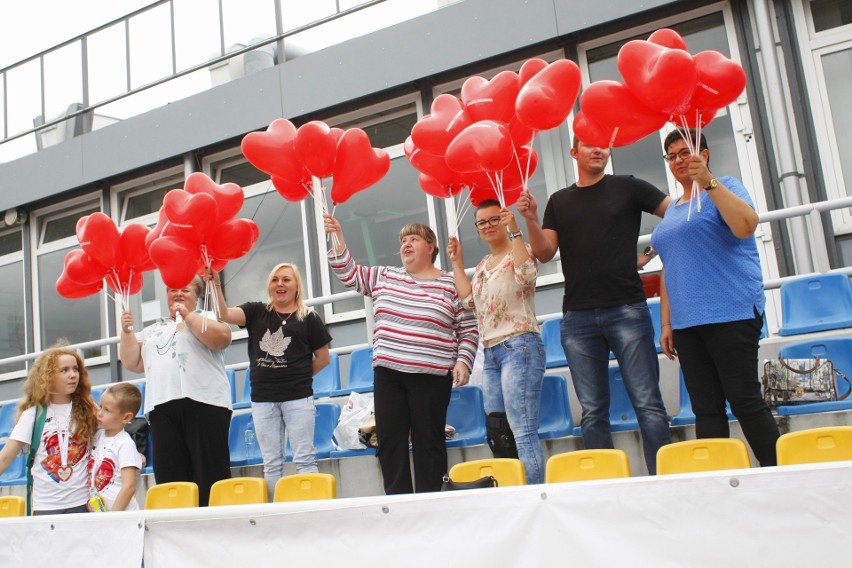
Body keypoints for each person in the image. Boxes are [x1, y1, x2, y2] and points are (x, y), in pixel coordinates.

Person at [517, 137, 673, 475]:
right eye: (589, 144)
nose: (598, 148)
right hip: (578, 318)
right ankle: (603, 484)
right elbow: (544, 253)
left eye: (602, 143)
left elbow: (675, 212)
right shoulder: (560, 200)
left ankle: (666, 480)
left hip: (627, 310)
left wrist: (655, 248)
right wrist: (530, 218)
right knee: (592, 411)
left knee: (648, 404)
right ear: (574, 152)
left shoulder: (628, 187)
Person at [324, 214, 478, 494]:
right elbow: (348, 273)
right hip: (389, 375)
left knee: (428, 442)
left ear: (430, 247)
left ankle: (432, 502)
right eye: (403, 241)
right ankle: (398, 504)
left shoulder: (449, 284)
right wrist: (337, 236)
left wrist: (464, 361)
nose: (406, 244)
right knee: (390, 442)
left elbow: (468, 328)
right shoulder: (384, 275)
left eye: (414, 239)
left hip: (431, 377)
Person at [652, 129, 779, 466]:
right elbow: (670, 267)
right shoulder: (673, 210)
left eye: (685, 153)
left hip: (731, 311)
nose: (679, 160)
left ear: (703, 154)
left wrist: (708, 182)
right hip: (687, 321)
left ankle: (779, 472)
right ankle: (718, 479)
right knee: (705, 408)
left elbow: (746, 225)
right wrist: (666, 322)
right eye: (672, 156)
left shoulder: (726, 186)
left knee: (744, 400)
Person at [205, 263, 332, 501]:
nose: (280, 285)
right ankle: (277, 512)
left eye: (286, 280)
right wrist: (215, 285)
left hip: (298, 398)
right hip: (263, 400)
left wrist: (299, 377)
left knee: (304, 459)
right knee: (272, 464)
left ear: (297, 286)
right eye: (275, 280)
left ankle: (314, 508)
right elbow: (223, 315)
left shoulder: (310, 318)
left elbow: (323, 358)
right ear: (269, 286)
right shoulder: (256, 311)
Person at [447, 200, 546, 484]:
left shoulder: (520, 250)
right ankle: (512, 489)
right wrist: (457, 263)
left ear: (504, 220)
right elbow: (468, 302)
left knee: (523, 429)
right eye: (482, 223)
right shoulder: (482, 266)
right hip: (490, 351)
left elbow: (527, 275)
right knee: (498, 430)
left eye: (494, 220)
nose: (488, 226)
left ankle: (536, 494)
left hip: (520, 345)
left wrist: (516, 231)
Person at [119, 276, 232, 506]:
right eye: (172, 290)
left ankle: (214, 526)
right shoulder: (152, 329)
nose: (178, 293)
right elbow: (132, 362)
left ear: (197, 295)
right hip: (162, 406)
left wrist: (187, 316)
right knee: (171, 475)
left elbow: (221, 339)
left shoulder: (208, 317)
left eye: (185, 290)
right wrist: (127, 331)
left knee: (209, 473)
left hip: (205, 403)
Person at [0, 346, 97, 515]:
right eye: (64, 370)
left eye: (75, 369)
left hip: (83, 502)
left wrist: (137, 453)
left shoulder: (88, 409)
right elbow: (5, 458)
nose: (73, 375)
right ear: (48, 377)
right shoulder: (33, 415)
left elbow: (113, 433)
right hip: (46, 506)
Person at [89, 382, 143, 511]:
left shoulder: (125, 444)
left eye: (107, 410)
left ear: (126, 417)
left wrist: (113, 517)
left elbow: (129, 486)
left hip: (121, 519)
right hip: (100, 516)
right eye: (100, 407)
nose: (99, 413)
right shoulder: (97, 436)